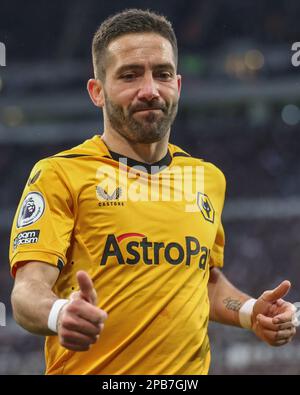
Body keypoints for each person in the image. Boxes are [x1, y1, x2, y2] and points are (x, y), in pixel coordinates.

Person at [9, 9, 297, 375]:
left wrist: (249, 311)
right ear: (97, 92)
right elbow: (26, 292)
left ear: (177, 85)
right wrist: (59, 312)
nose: (149, 90)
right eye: (130, 76)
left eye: (161, 74)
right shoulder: (59, 174)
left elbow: (203, 281)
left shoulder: (207, 179)